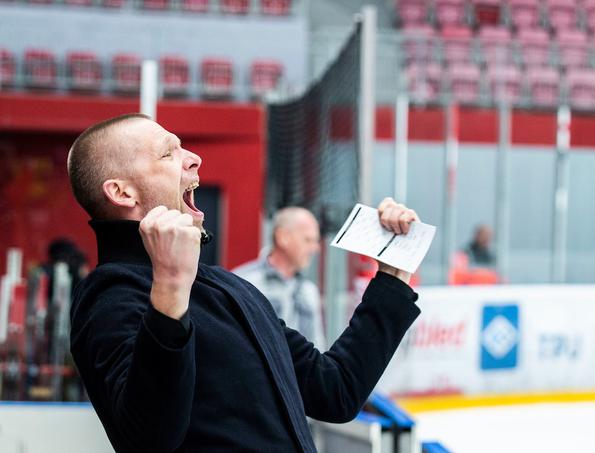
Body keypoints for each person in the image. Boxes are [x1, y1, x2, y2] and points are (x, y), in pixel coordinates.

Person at [66, 113, 421, 452]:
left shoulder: (229, 287)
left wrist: (391, 277)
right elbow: (149, 439)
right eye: (167, 153)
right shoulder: (108, 297)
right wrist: (171, 287)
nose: (194, 159)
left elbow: (335, 390)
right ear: (122, 193)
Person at [233, 207, 326, 350]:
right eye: (308, 240)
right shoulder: (243, 282)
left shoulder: (309, 291)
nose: (315, 249)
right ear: (283, 237)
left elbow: (317, 348)